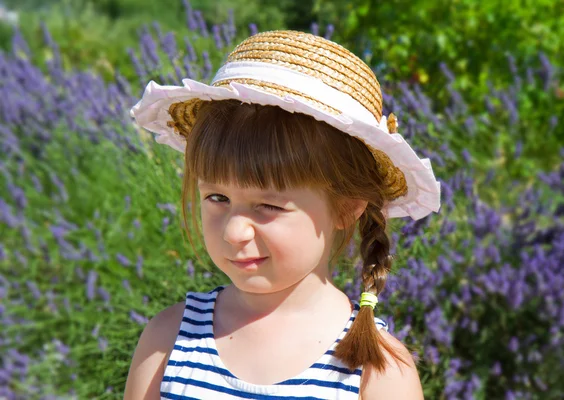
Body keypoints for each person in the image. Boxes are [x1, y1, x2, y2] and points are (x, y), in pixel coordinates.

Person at [124, 29, 440, 400]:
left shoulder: (375, 371)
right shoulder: (170, 338)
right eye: (217, 197)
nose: (234, 231)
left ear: (347, 206)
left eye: (269, 206)